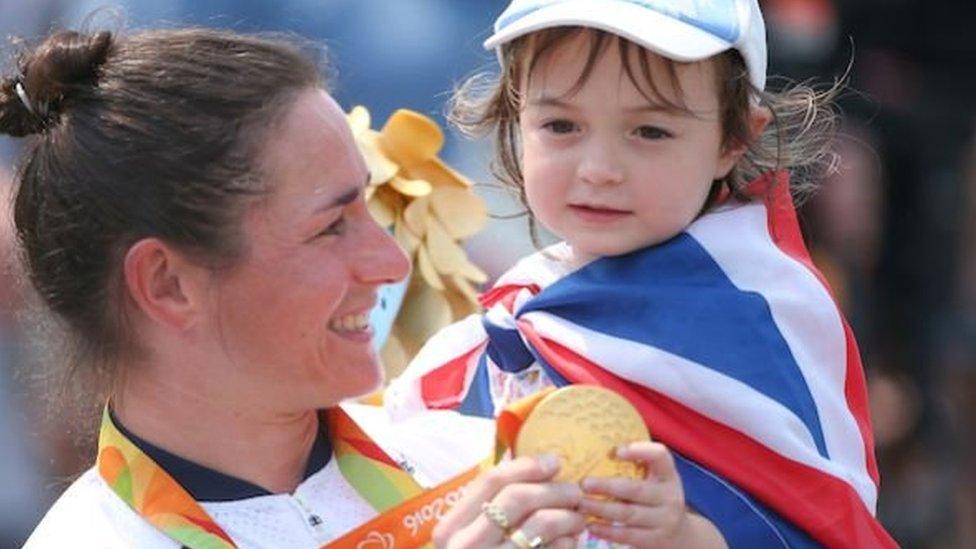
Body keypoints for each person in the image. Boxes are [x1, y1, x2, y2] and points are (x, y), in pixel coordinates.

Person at [3, 28, 591, 548]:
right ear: (169, 284)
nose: (390, 263)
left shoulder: (481, 471)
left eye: (370, 208)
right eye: (331, 227)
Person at [387, 0, 897, 547]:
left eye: (649, 132)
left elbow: (826, 528)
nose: (599, 170)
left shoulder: (761, 320)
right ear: (516, 118)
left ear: (736, 138)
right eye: (561, 125)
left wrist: (685, 534)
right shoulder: (505, 320)